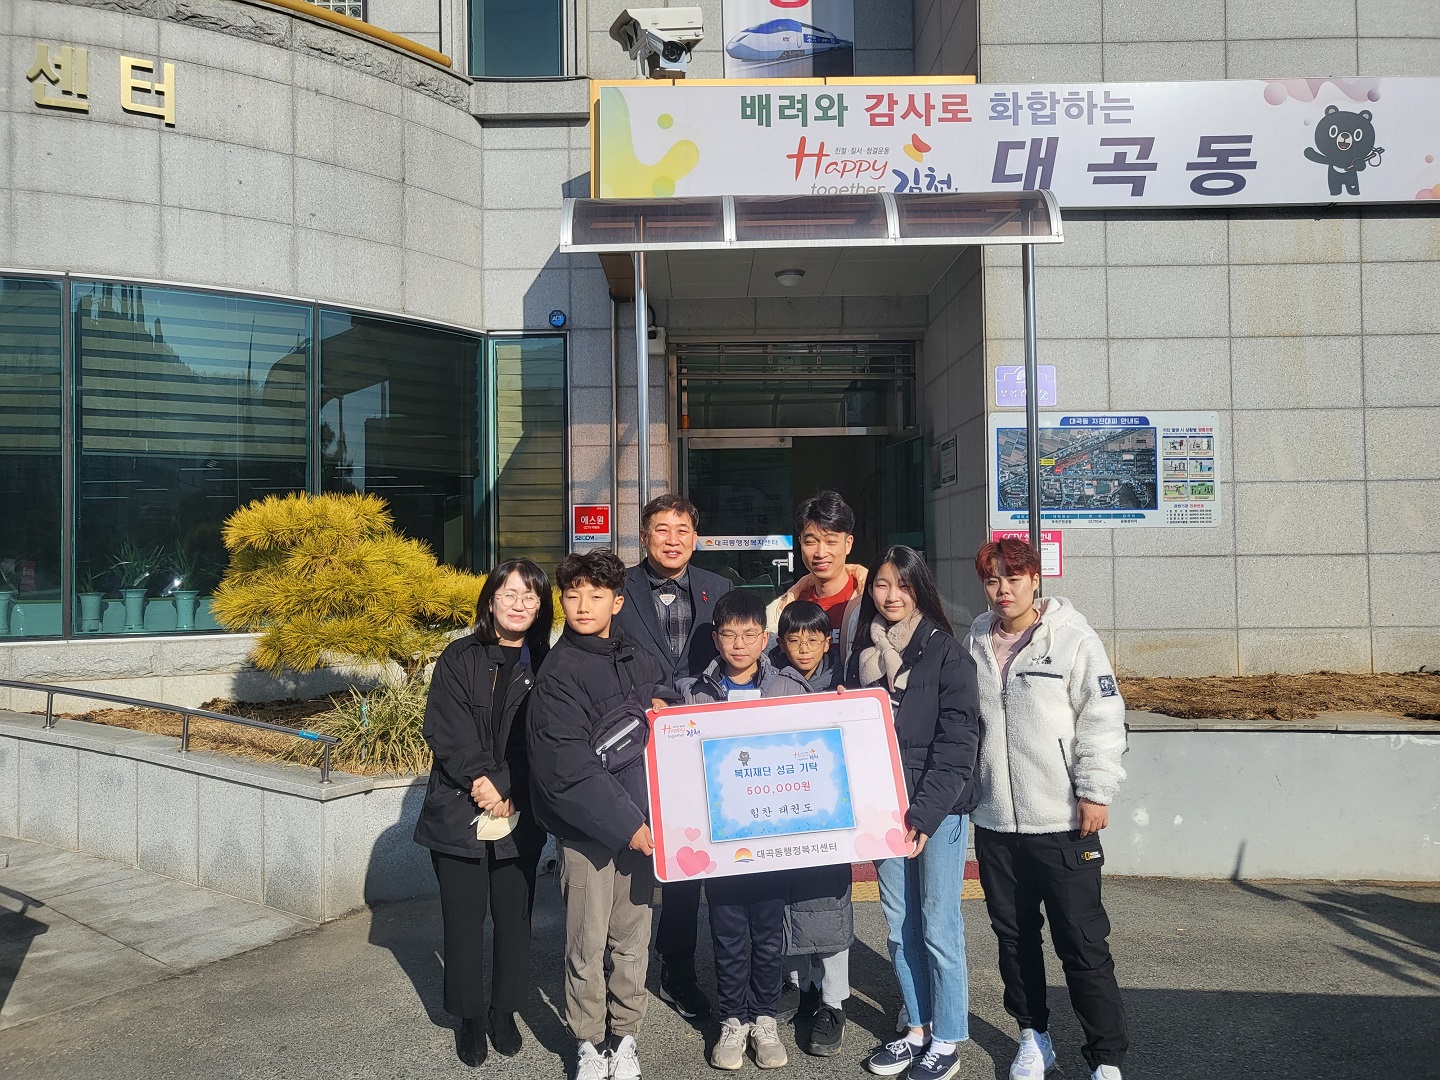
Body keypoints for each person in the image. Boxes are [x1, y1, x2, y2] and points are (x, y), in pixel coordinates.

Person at [963, 539, 1130, 1080]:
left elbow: (1103, 718)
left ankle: (1105, 1058)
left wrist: (1095, 791)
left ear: (1035, 579)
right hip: (995, 823)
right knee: (1014, 940)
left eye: (1013, 578)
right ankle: (1033, 1037)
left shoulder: (1073, 639)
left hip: (1062, 822)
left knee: (1082, 943)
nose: (1002, 590)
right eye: (992, 580)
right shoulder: (975, 642)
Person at [528, 550, 673, 1080]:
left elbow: (664, 691)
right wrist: (628, 826)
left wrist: (664, 702)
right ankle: (589, 1043)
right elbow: (564, 766)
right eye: (573, 595)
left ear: (617, 601)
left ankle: (625, 1036)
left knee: (632, 940)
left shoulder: (635, 654)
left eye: (596, 595)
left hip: (642, 824)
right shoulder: (558, 672)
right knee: (585, 944)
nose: (583, 605)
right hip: (590, 833)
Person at [845, 545, 982, 1080]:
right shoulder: (864, 655)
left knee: (939, 925)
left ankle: (947, 1038)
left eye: (902, 585)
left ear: (920, 589)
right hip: (884, 808)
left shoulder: (947, 653)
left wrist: (924, 816)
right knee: (901, 925)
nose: (891, 595)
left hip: (937, 811)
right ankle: (917, 1028)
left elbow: (958, 745)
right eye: (881, 585)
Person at [413, 558, 554, 1067]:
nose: (519, 604)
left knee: (515, 918)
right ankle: (470, 1016)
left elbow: (546, 739)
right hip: (458, 806)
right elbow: (444, 727)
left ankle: (504, 1010)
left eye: (530, 596)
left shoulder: (547, 665)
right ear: (490, 600)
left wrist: (508, 787)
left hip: (519, 808)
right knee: (463, 919)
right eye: (509, 593)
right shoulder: (459, 656)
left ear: (541, 607)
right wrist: (482, 781)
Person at [676, 590, 807, 1071]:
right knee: (728, 931)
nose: (739, 644)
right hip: (720, 839)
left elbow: (810, 749)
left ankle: (764, 1018)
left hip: (773, 835)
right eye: (729, 635)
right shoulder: (691, 692)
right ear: (715, 639)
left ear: (765, 639)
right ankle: (733, 1019)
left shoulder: (789, 688)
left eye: (750, 635)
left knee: (769, 933)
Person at [615, 493, 733, 1021]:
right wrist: (646, 699)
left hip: (703, 748)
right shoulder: (619, 590)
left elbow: (745, 650)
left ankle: (679, 966)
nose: (672, 540)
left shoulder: (720, 589)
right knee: (633, 854)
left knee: (693, 855)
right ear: (644, 537)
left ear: (695, 537)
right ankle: (620, 962)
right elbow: (603, 661)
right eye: (661, 530)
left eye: (682, 530)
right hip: (635, 743)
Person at [771, 600, 853, 1058]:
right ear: (781, 643)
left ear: (828, 641)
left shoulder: (846, 680)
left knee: (828, 902)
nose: (803, 648)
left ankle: (832, 1001)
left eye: (813, 639)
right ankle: (797, 985)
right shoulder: (768, 681)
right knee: (786, 899)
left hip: (829, 813)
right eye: (794, 639)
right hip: (782, 811)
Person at [766, 491, 867, 667]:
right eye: (811, 542)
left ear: (848, 544)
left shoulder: (871, 603)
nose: (820, 553)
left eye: (831, 542)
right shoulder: (781, 610)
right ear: (800, 543)